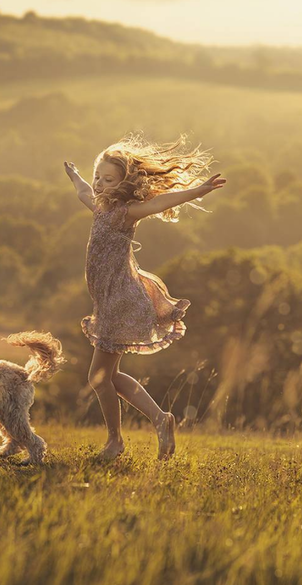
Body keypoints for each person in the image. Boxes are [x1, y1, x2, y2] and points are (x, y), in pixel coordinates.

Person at [64, 132, 226, 460]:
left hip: (120, 300)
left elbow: (160, 203)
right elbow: (83, 190)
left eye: (107, 179)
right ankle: (160, 419)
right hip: (109, 300)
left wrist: (200, 189)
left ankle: (115, 442)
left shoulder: (126, 212)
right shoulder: (98, 205)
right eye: (98, 176)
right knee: (109, 377)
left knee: (98, 378)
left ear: (123, 182)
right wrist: (76, 175)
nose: (99, 184)